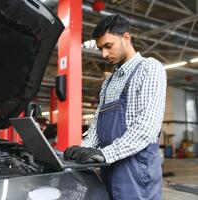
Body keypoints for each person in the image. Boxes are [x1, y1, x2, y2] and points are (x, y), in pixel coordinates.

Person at [64, 14, 166, 200]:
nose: (103, 54)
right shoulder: (108, 82)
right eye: (101, 48)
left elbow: (146, 127)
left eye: (108, 46)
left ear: (126, 38)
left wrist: (103, 154)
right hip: (109, 168)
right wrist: (82, 150)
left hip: (136, 171)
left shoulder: (149, 68)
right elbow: (96, 126)